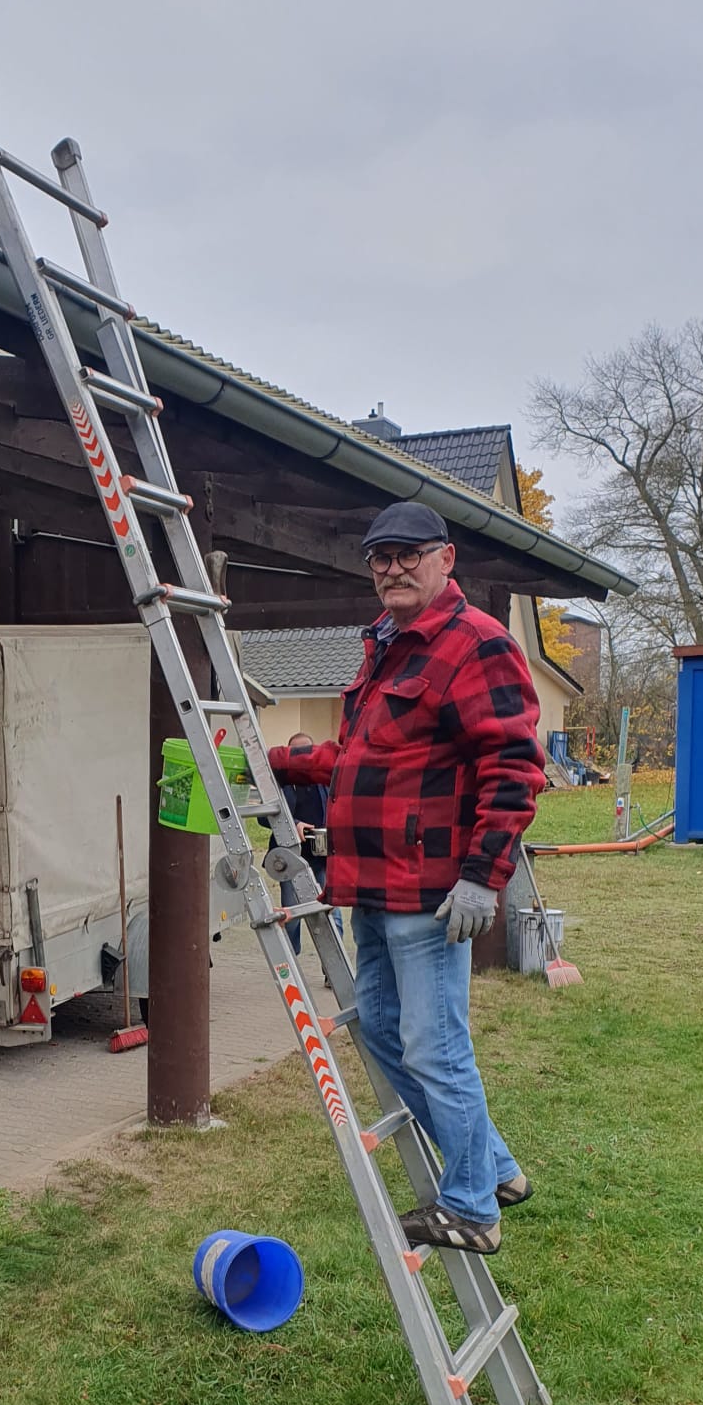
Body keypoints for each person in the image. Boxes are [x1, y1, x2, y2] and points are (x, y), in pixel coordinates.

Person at [269, 501, 544, 1256]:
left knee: (434, 1047)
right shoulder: (387, 645)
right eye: (380, 557)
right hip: (372, 886)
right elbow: (364, 756)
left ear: (445, 560)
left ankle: (472, 1210)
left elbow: (515, 766)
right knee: (385, 1033)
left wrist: (483, 877)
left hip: (430, 893)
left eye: (408, 554)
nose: (392, 568)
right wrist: (279, 761)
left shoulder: (476, 644)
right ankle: (496, 1170)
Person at [272, 731, 342, 955]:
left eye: (307, 751)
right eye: (297, 752)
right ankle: (290, 961)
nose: (303, 757)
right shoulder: (280, 781)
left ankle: (333, 964)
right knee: (291, 916)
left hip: (322, 857)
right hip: (292, 859)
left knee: (332, 914)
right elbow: (265, 816)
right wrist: (294, 824)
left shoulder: (325, 779)